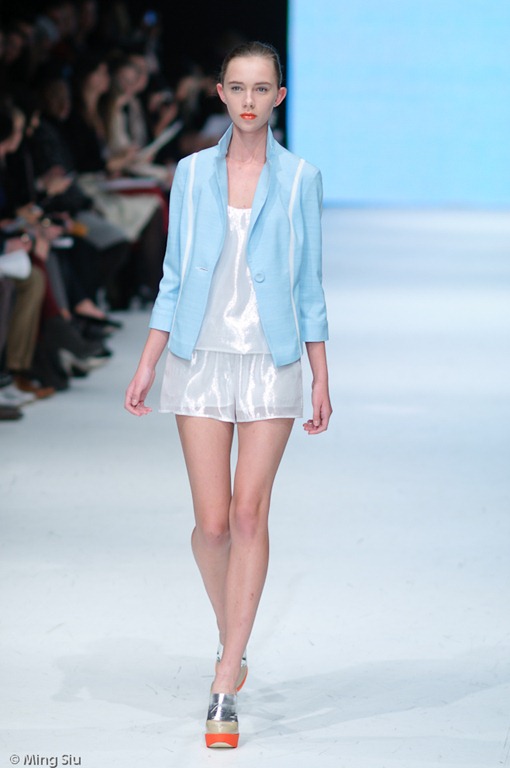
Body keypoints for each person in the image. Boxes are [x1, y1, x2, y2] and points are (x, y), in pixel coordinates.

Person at [124, 41, 332, 749]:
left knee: (249, 514)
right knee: (211, 526)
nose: (248, 100)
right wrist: (148, 363)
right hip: (199, 357)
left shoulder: (301, 178)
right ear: (219, 92)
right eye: (237, 87)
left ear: (279, 96)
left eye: (261, 88)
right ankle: (233, 636)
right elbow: (173, 275)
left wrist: (320, 375)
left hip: (272, 361)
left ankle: (223, 682)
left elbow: (309, 285)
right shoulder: (189, 175)